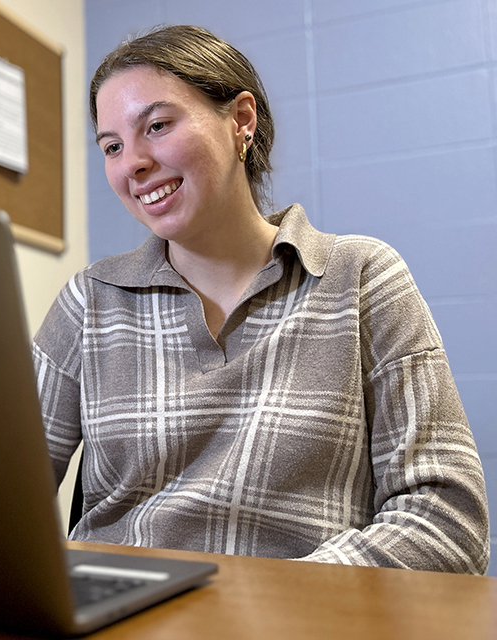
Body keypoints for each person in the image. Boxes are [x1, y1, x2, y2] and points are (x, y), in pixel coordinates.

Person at [33, 25, 490, 573]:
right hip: (120, 611)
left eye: (156, 126)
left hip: (301, 617)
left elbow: (448, 519)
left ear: (241, 122)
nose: (131, 163)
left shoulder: (362, 278)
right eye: (112, 146)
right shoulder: (90, 302)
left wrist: (274, 596)